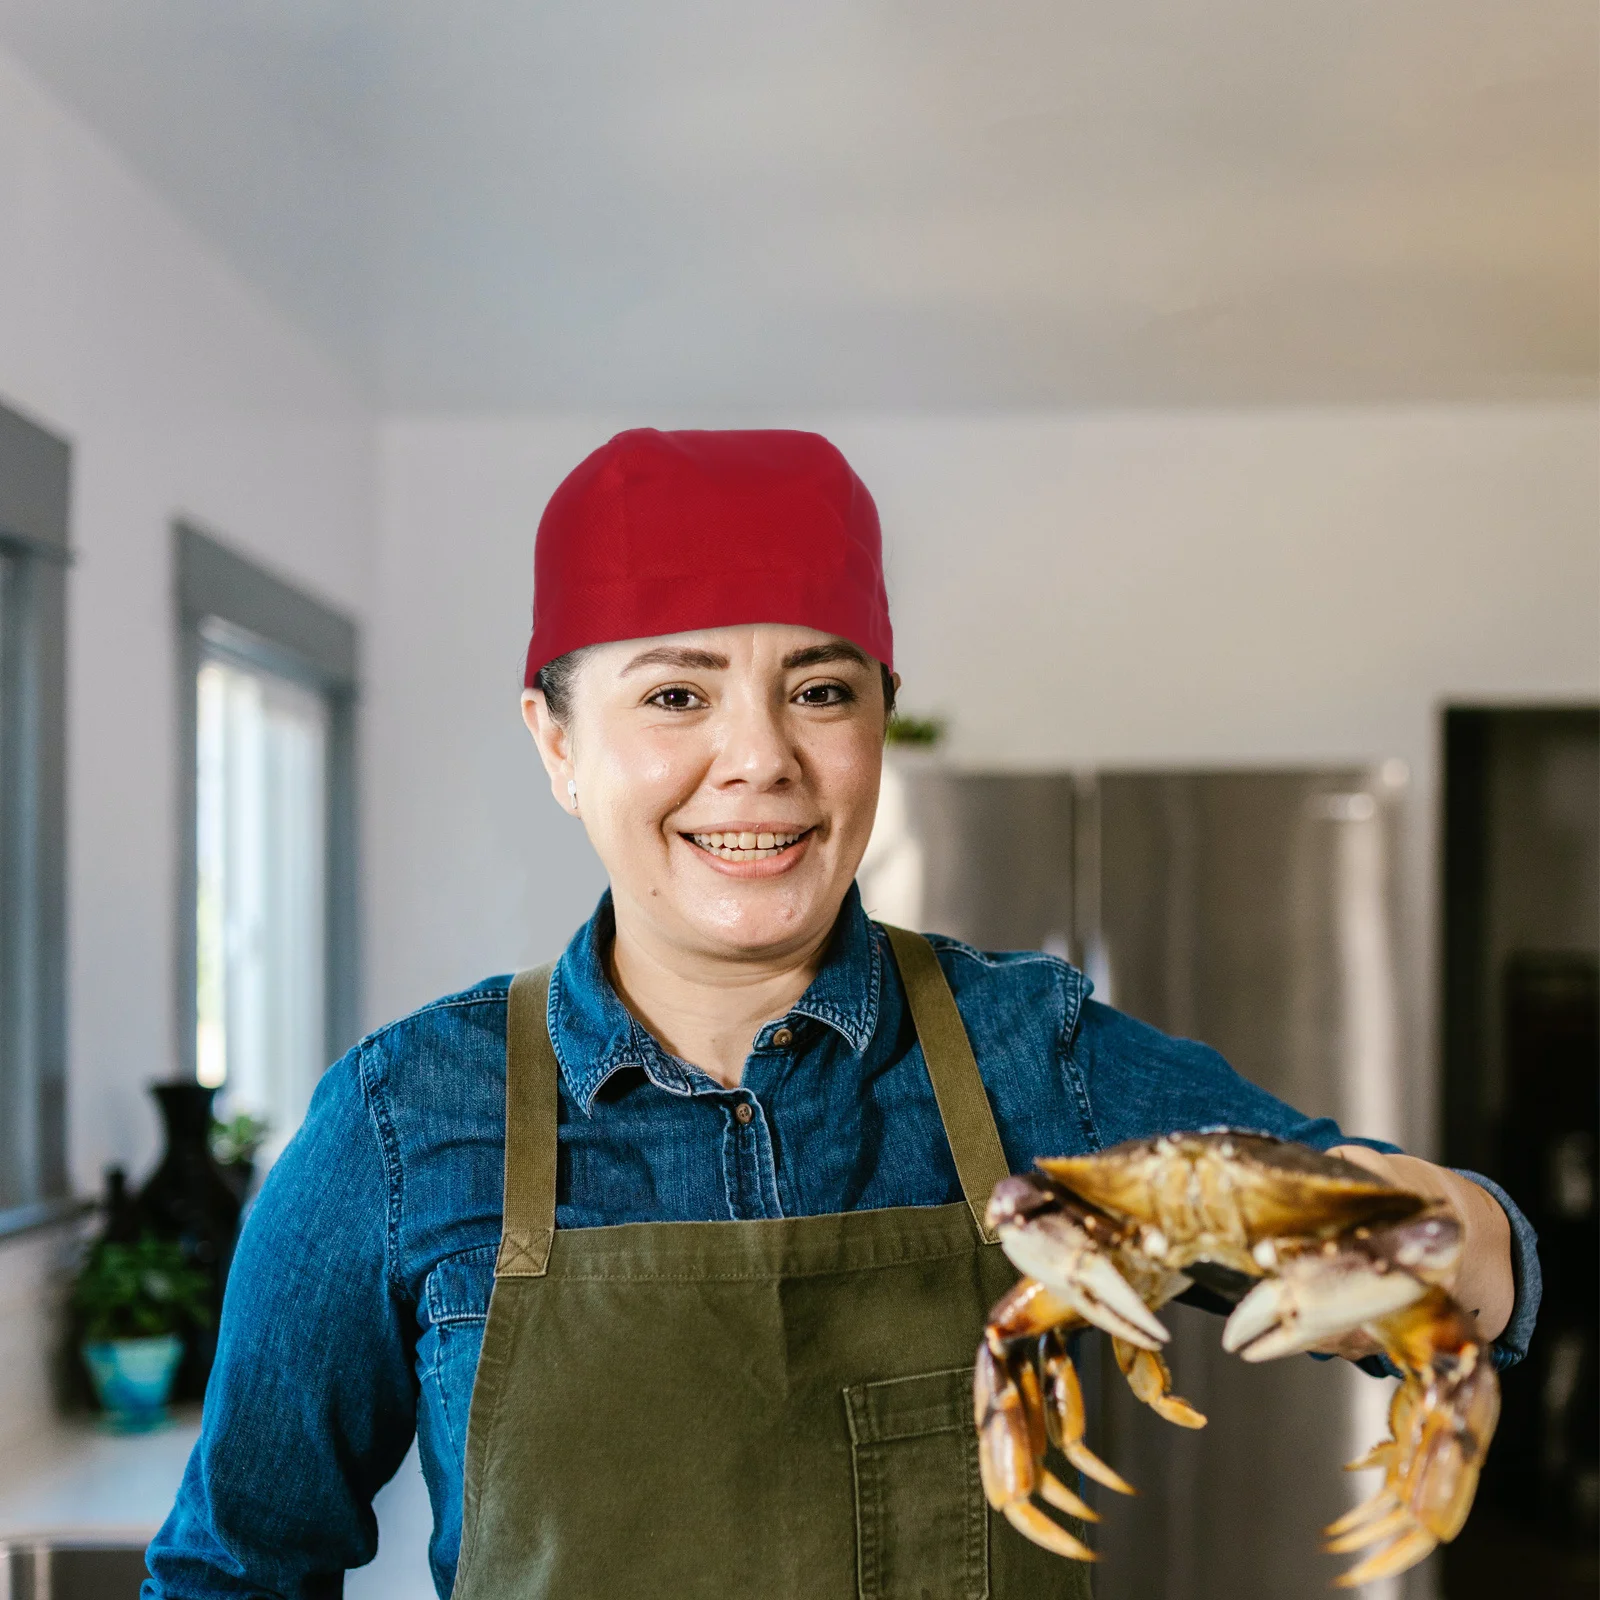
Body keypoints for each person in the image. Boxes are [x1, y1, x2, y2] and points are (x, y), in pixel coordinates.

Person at [145, 429, 1539, 1599]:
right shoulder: (403, 1124)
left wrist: (1445, 1238)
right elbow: (233, 1571)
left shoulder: (1032, 1058)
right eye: (676, 694)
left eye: (819, 691)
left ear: (879, 719)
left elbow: (1446, 1253)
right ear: (557, 741)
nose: (760, 759)